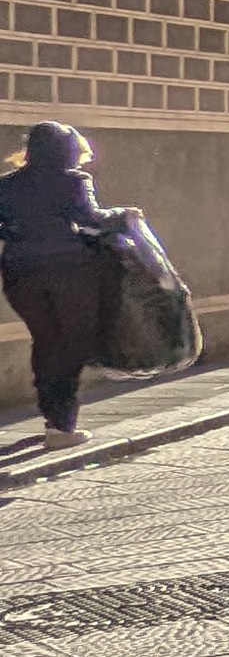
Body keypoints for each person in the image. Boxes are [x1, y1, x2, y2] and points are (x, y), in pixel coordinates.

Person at [0, 123, 121, 448]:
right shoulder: (74, 181)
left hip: (20, 273)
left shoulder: (7, 184)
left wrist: (17, 232)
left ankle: (52, 417)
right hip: (67, 270)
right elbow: (91, 218)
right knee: (72, 344)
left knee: (45, 340)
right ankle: (61, 424)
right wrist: (124, 215)